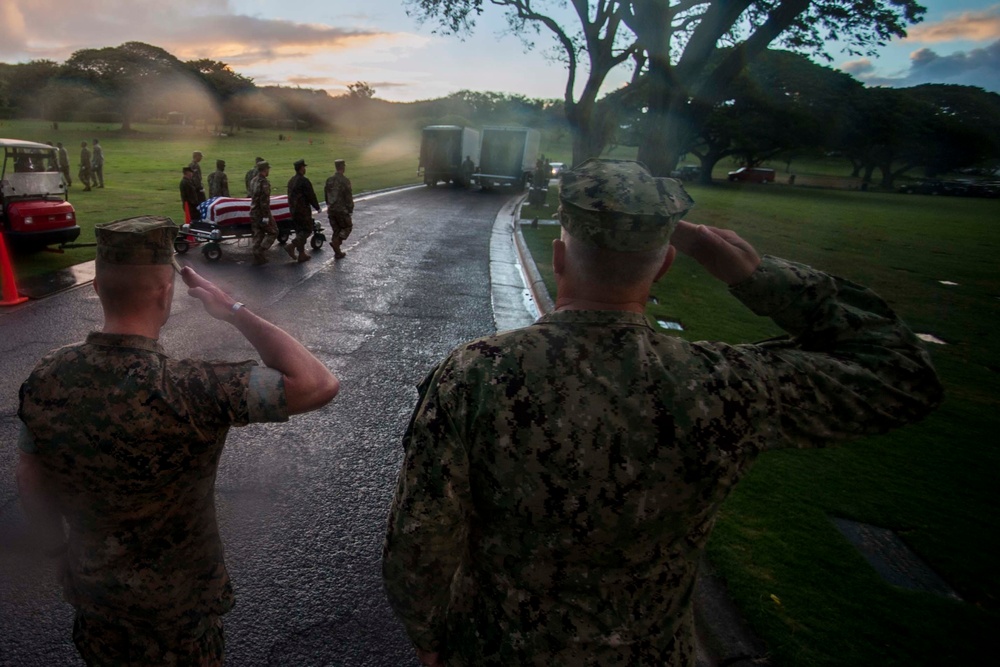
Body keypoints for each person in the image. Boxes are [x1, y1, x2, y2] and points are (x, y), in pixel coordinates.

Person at [382, 158, 944, 667]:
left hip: (496, 647)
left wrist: (428, 638)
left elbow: (422, 533)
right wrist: (756, 277)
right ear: (666, 266)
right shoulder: (726, 384)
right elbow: (903, 375)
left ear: (557, 258)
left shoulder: (476, 374)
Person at [16, 216, 339, 667]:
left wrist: (55, 550)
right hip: (178, 617)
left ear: (96, 289)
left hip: (95, 600)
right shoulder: (194, 389)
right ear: (167, 294)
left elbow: (29, 472)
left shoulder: (46, 376)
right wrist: (233, 310)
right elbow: (318, 383)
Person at [285, 158, 321, 263]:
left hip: (293, 210)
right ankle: (292, 246)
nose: (305, 169)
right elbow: (311, 195)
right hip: (303, 210)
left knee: (299, 231)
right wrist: (317, 207)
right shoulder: (304, 181)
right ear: (301, 168)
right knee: (307, 230)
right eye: (304, 167)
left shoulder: (291, 181)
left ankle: (301, 254)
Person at [249, 160, 278, 265]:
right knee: (273, 231)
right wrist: (266, 217)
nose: (269, 170)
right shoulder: (264, 182)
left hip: (253, 211)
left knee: (258, 234)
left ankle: (257, 256)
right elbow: (264, 201)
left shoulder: (253, 180)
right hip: (262, 213)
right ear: (265, 169)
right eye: (268, 169)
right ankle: (260, 251)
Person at [324, 159, 353, 259]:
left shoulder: (329, 180)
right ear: (343, 167)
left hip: (331, 209)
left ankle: (337, 252)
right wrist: (350, 209)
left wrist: (329, 205)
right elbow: (348, 196)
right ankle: (336, 243)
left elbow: (326, 195)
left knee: (336, 230)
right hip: (341, 210)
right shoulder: (345, 181)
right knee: (347, 227)